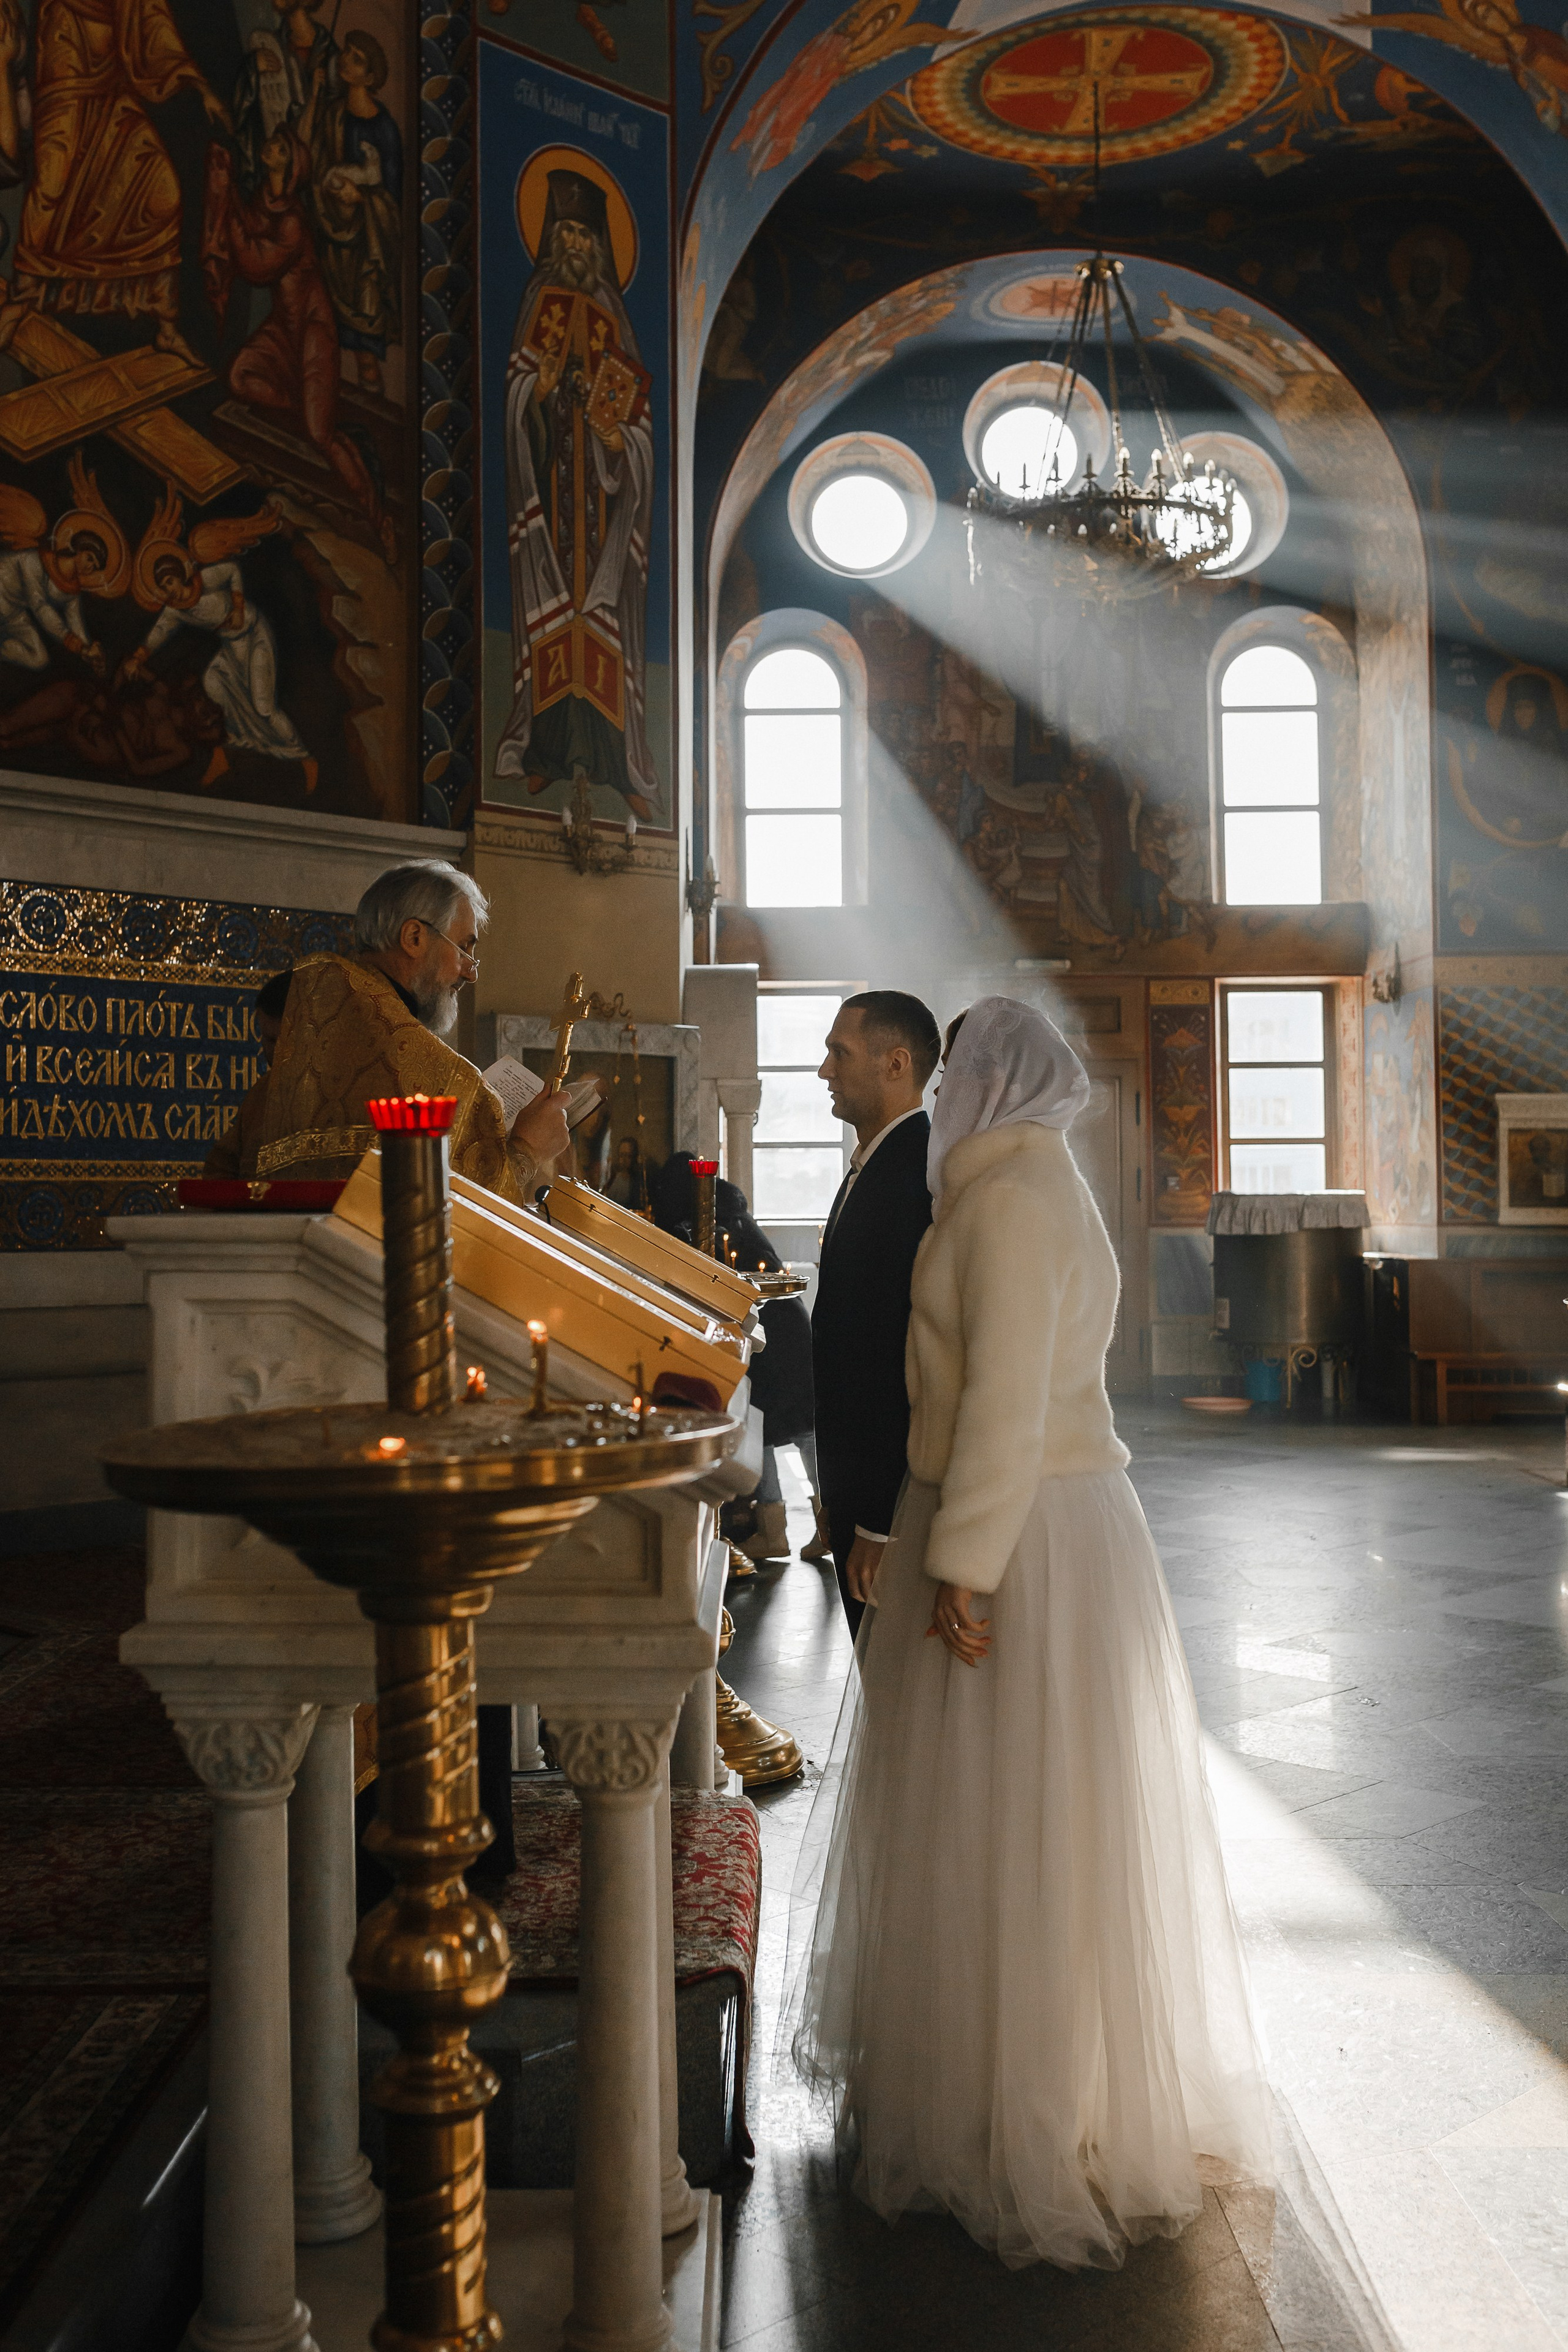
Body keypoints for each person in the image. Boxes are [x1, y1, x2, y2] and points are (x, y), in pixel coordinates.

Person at [795, 998, 1268, 2269]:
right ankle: (1033, 2089)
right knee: (1034, 1815)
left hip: (1018, 1527)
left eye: (956, 1074)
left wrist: (963, 1565)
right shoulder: (1041, 1184)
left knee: (1009, 1819)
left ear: (989, 1083)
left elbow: (1002, 1398)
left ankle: (1022, 2120)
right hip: (1055, 1515)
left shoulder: (1002, 1201)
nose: (942, 1094)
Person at [254, 859, 570, 1197]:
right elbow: (467, 1217)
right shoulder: (449, 1081)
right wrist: (527, 1150)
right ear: (414, 937)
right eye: (464, 948)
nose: (471, 973)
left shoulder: (299, 1055)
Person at [811, 992, 938, 1634]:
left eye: (839, 1052)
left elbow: (894, 1356)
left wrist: (877, 1523)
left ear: (895, 1064)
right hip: (856, 1488)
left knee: (894, 1685)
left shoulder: (912, 1172)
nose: (823, 1070)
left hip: (886, 1502)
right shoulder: (877, 1160)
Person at [649, 1153, 814, 1563]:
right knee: (794, 1429)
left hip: (761, 1328)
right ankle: (811, 1524)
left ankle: (782, 1529)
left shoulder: (700, 1220)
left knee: (772, 1428)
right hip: (782, 1325)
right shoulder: (730, 1206)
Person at [204, 967, 292, 1176]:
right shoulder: (261, 1094)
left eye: (282, 1040)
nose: (273, 1051)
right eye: (268, 1039)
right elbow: (221, 1168)